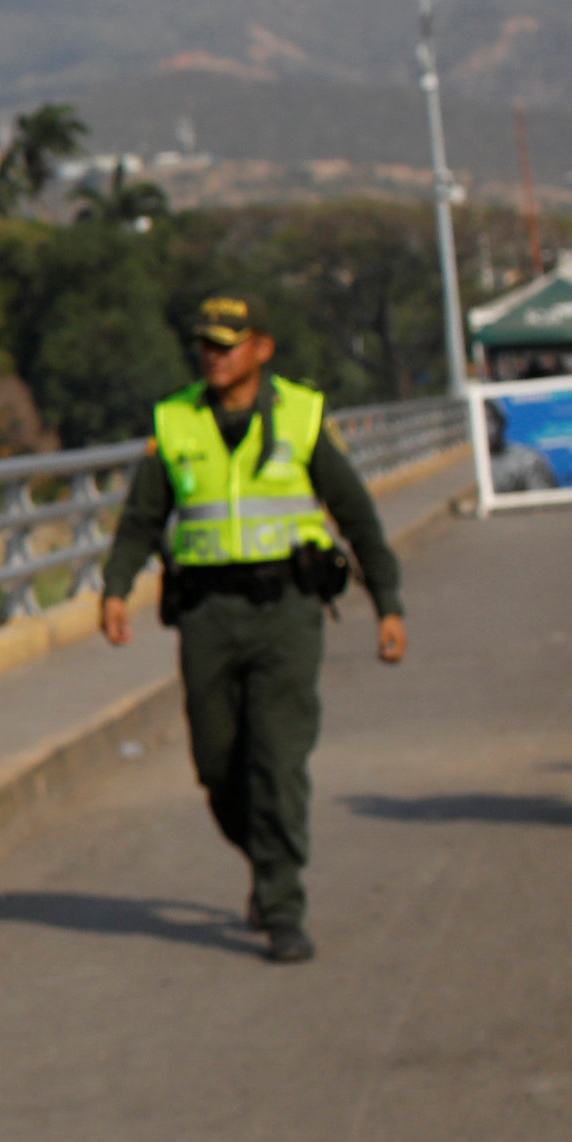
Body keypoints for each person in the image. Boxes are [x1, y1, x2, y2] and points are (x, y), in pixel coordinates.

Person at [98, 296, 405, 964]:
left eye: (227, 343)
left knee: (278, 758)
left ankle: (280, 901)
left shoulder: (300, 416)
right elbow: (142, 518)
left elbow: (354, 514)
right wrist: (114, 589)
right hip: (207, 614)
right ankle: (266, 856)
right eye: (205, 344)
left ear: (261, 348)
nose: (213, 355)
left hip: (286, 610)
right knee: (216, 764)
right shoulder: (174, 420)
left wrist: (387, 602)